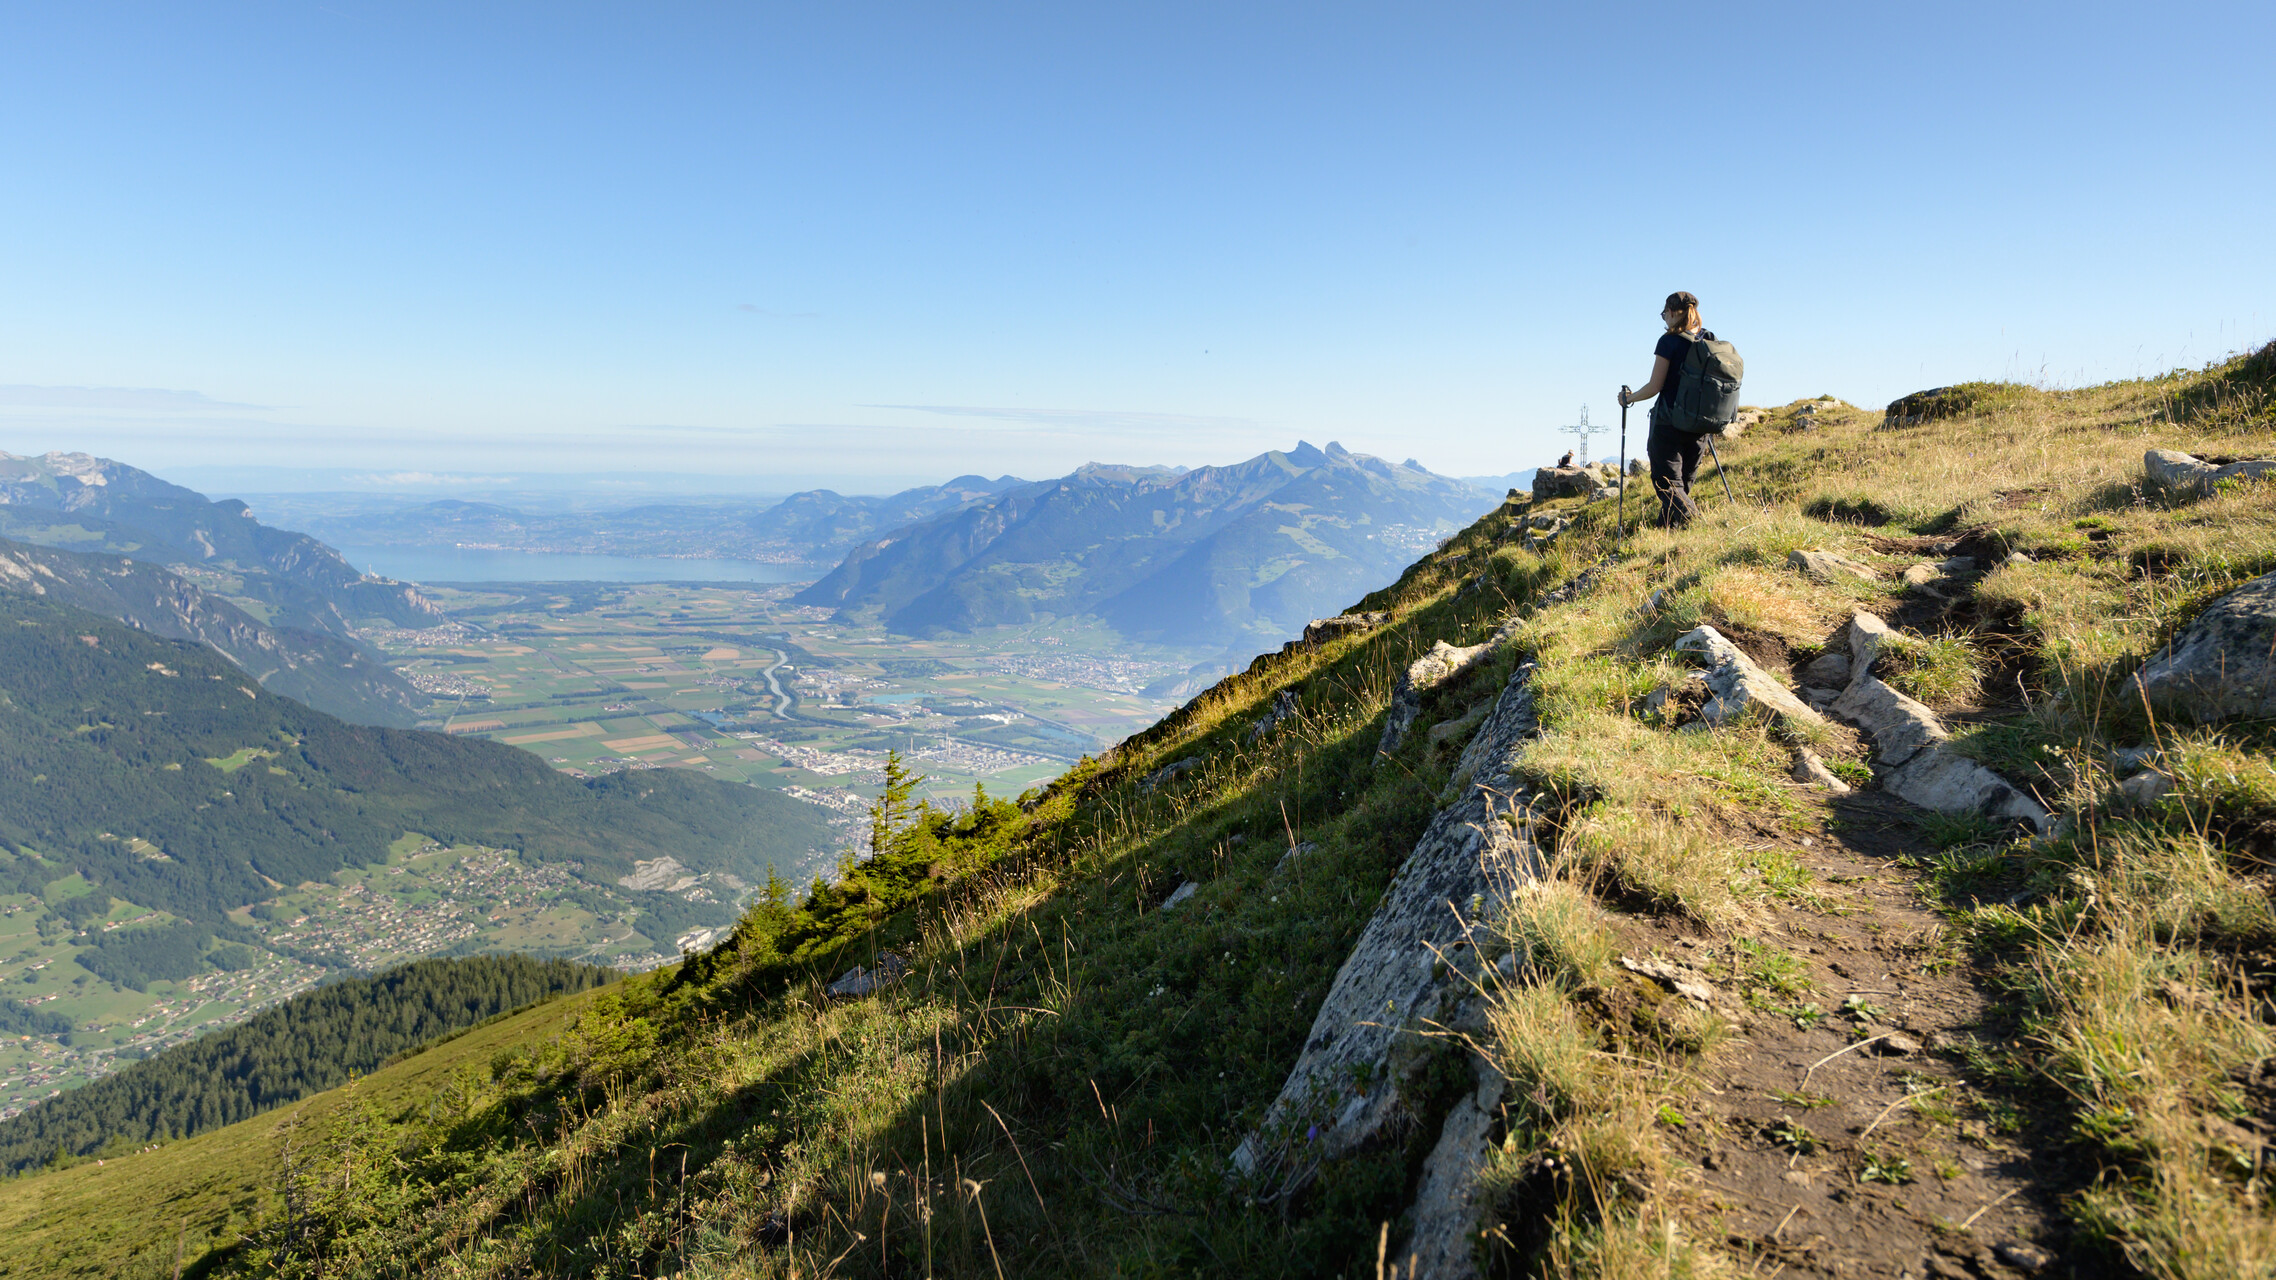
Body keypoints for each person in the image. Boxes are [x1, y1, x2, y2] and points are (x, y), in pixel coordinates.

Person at [1617, 291, 1711, 527]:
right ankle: (1664, 533)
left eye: (1663, 315)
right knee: (1681, 486)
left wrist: (1630, 398)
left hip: (1669, 423)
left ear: (1670, 312)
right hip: (1701, 424)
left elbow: (1655, 386)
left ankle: (1698, 524)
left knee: (1666, 483)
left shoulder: (1669, 340)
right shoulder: (1709, 338)